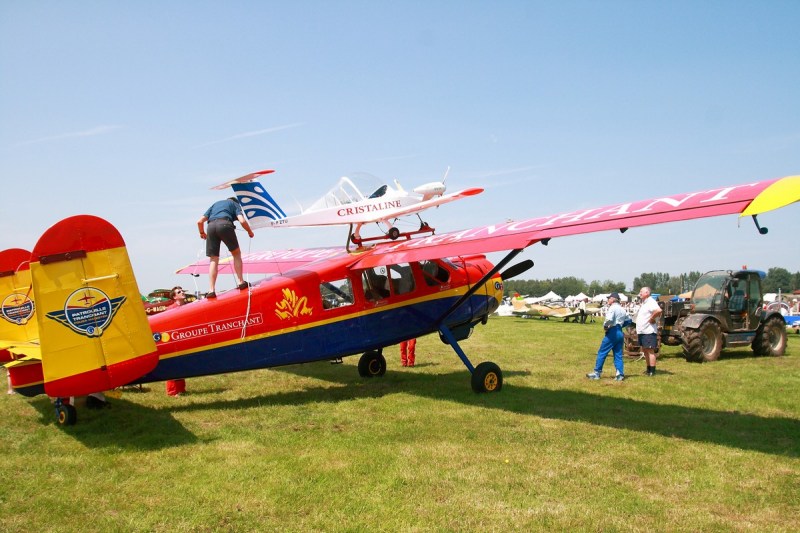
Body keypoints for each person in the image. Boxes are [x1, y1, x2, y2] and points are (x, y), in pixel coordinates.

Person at [197, 197, 254, 298]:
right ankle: (241, 282)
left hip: (210, 227)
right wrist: (249, 231)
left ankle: (211, 290)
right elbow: (242, 220)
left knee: (213, 259)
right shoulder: (235, 204)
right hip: (225, 225)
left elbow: (200, 221)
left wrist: (202, 233)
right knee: (236, 254)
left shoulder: (215, 204)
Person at [586, 293, 630, 381]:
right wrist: (620, 326)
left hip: (612, 332)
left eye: (609, 298)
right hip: (619, 332)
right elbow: (629, 320)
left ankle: (597, 373)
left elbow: (609, 320)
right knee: (618, 354)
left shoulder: (612, 308)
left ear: (613, 299)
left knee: (602, 352)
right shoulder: (622, 309)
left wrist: (606, 327)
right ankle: (619, 374)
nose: (608, 300)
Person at [165, 286, 188, 396]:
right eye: (179, 292)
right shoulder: (170, 309)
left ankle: (181, 389)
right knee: (174, 365)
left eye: (183, 291)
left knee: (182, 365)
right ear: (175, 297)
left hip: (185, 338)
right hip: (174, 339)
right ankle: (172, 391)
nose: (182, 292)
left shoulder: (189, 306)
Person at [636, 286, 663, 376]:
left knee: (650, 350)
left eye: (641, 292)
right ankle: (648, 369)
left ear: (647, 293)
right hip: (642, 331)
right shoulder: (644, 302)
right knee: (645, 350)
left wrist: (652, 318)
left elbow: (659, 310)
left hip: (648, 331)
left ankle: (652, 370)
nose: (640, 293)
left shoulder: (651, 302)